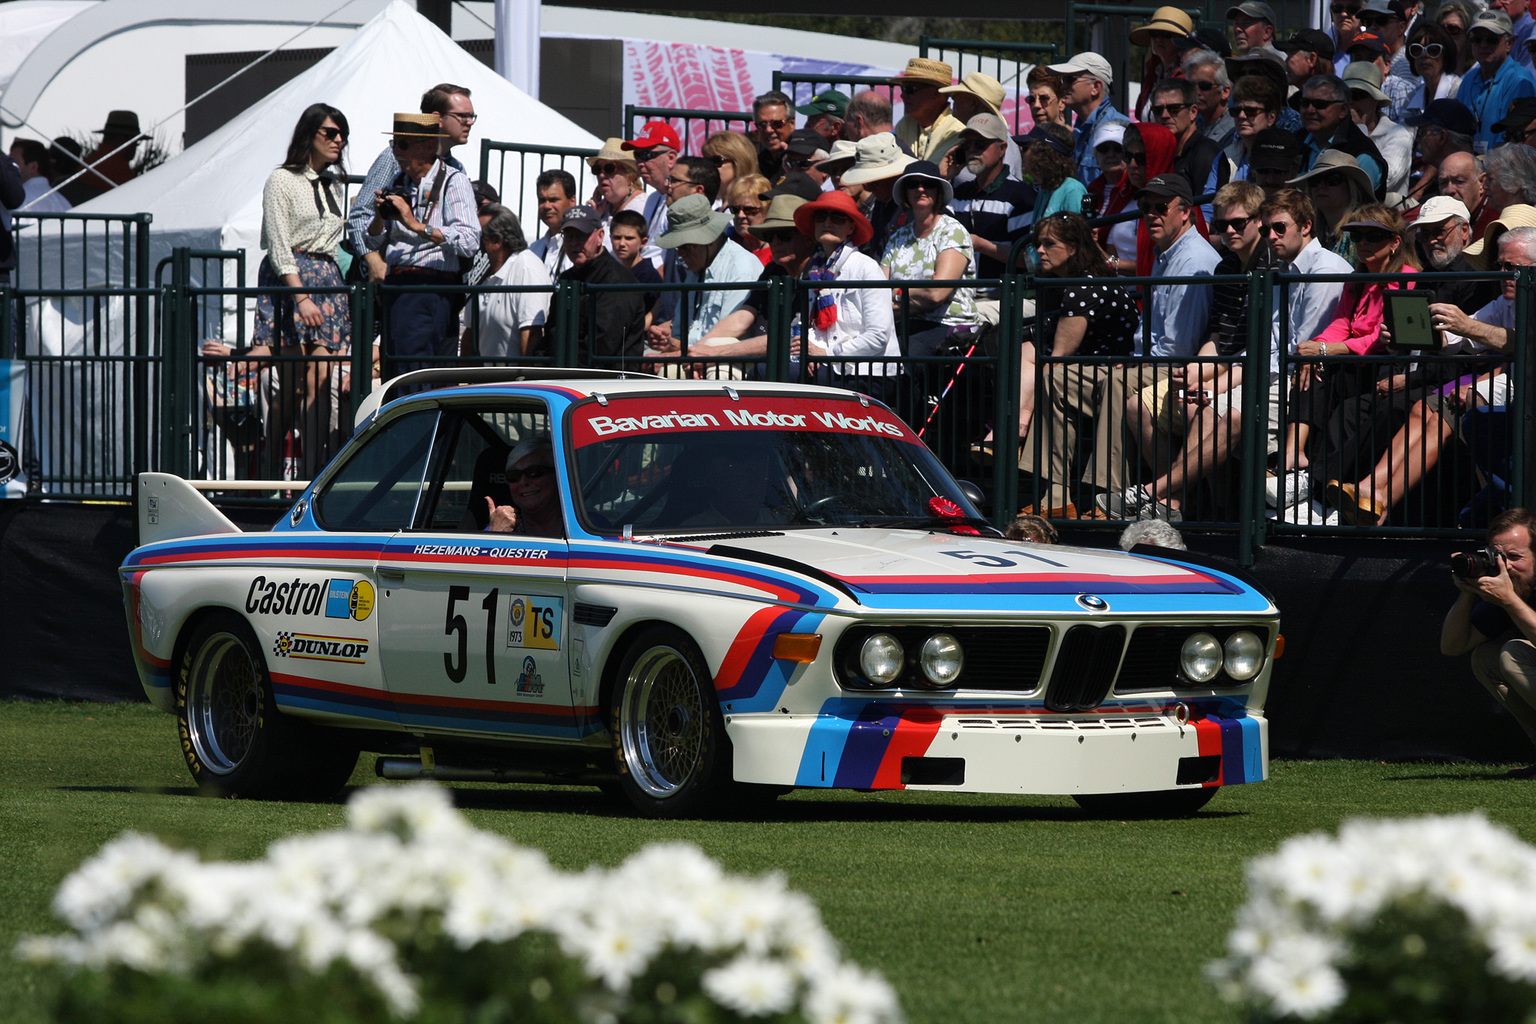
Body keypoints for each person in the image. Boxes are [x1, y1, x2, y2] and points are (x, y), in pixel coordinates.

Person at [1326, 226, 1533, 525]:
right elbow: (1457, 337)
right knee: (1424, 407)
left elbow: (1524, 342)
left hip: (1525, 385)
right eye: (1499, 265)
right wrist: (1406, 335)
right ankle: (1374, 491)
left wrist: (1466, 327)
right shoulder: (1507, 300)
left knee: (1463, 399)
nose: (1503, 273)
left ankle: (1492, 511)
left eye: (1511, 267)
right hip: (1514, 381)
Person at [1087, 173, 1220, 512]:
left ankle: (1111, 496)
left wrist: (1137, 362)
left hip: (1177, 368)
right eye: (1145, 207)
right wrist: (1134, 358)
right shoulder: (1165, 253)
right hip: (1149, 360)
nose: (1151, 214)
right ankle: (1057, 496)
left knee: (1119, 385)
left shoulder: (1193, 260)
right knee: (1057, 378)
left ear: (1186, 211)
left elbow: (1178, 347)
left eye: (1161, 207)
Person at [1281, 203, 1419, 489]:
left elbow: (1382, 339)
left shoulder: (1406, 280)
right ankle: (1293, 455)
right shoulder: (1358, 280)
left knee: (1330, 384)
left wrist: (1326, 350)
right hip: (1354, 367)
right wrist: (1317, 347)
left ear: (1395, 242)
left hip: (1380, 370)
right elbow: (1341, 324)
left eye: (1373, 236)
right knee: (1310, 369)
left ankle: (1318, 482)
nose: (1363, 243)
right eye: (1357, 237)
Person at [1016, 212, 1139, 518]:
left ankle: (1097, 499)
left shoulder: (1083, 288)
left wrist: (1027, 413)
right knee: (1049, 372)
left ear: (1072, 248)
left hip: (1117, 372)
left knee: (1054, 377)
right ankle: (1056, 498)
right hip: (1095, 372)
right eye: (1037, 244)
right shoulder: (1073, 283)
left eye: (1049, 244)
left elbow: (1059, 356)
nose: (1040, 251)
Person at [256, 103, 351, 477]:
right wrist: (301, 297)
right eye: (330, 132)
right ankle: (268, 466)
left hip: (327, 279)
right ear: (309, 135)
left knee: (320, 379)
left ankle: (313, 476)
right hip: (291, 280)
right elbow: (278, 245)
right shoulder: (281, 179)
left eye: (342, 134)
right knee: (292, 384)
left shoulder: (332, 184)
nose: (338, 140)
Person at [364, 112, 479, 380]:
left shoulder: (453, 181)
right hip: (397, 289)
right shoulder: (398, 184)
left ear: (428, 146)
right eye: (395, 144)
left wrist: (416, 225)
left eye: (404, 145)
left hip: (430, 288)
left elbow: (470, 240)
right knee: (395, 373)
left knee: (418, 375)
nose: (396, 152)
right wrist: (381, 215)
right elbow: (373, 239)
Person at [346, 84, 475, 285]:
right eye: (462, 116)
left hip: (434, 279)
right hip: (388, 274)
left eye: (472, 116)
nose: (469, 122)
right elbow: (360, 213)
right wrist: (372, 259)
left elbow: (464, 233)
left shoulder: (456, 170)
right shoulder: (397, 156)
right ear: (437, 118)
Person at [788, 189, 900, 400]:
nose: (827, 222)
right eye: (821, 217)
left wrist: (825, 354)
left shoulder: (867, 268)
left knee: (779, 374)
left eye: (837, 218)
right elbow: (813, 328)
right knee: (762, 369)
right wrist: (810, 351)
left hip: (871, 373)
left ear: (851, 228)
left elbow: (878, 337)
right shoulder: (814, 271)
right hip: (833, 368)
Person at [880, 160, 979, 360]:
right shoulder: (898, 237)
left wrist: (897, 292)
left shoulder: (953, 231)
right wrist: (918, 296)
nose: (921, 189)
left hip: (951, 326)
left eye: (929, 184)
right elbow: (878, 294)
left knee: (902, 353)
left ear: (939, 191)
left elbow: (936, 294)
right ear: (905, 192)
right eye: (912, 184)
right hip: (905, 324)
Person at [540, 206, 645, 368]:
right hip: (568, 376)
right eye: (569, 237)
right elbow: (551, 335)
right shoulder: (567, 278)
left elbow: (602, 346)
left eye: (581, 236)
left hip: (609, 382)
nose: (575, 243)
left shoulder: (618, 281)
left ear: (600, 236)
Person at [462, 204, 549, 361]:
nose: (472, 244)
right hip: (488, 382)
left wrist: (525, 380)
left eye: (478, 237)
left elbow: (531, 334)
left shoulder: (527, 269)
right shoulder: (481, 274)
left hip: (515, 382)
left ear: (497, 241)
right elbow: (469, 333)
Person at [1456, 8, 1536, 152]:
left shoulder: (1519, 80)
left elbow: (1513, 141)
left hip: (1502, 166)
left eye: (1492, 39)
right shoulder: (1469, 79)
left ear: (1509, 43)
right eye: (1477, 39)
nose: (1483, 45)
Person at [1296, 74, 1388, 198]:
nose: (1310, 110)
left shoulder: (1361, 154)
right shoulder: (1295, 141)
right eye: (1305, 103)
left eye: (1320, 104)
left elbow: (1355, 207)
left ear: (1343, 109)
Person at [1046, 51, 1122, 185]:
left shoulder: (1117, 128)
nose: (1063, 86)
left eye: (1070, 80)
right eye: (1064, 80)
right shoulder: (1082, 129)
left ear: (1096, 87)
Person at [1289, 148, 1375, 257]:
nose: (1321, 186)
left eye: (1332, 179)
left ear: (1351, 188)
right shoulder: (1309, 231)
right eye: (1315, 181)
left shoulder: (1361, 231)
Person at [1343, 63, 1413, 195]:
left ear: (1374, 100)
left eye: (1357, 95)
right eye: (1346, 95)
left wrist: (1357, 130)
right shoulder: (1335, 133)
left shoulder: (1399, 135)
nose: (1350, 102)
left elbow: (1381, 180)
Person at [891, 57, 965, 166]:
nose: (903, 95)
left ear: (936, 93)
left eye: (910, 89)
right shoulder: (906, 122)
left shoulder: (956, 131)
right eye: (903, 88)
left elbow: (931, 175)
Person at [60, 109, 142, 206]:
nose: (135, 148)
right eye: (136, 142)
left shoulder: (90, 162)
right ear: (127, 139)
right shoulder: (119, 169)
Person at [485, 436, 564, 537]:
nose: (523, 482)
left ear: (556, 476)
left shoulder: (586, 527)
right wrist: (496, 536)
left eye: (533, 472)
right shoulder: (497, 530)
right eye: (514, 475)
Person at [1129, 6, 1196, 122]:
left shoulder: (1188, 76)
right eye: (1154, 33)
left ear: (1181, 40)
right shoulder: (1153, 73)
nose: (1158, 39)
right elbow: (1139, 112)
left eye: (1166, 34)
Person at [1018, 123, 1086, 226]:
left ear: (1044, 153)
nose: (1021, 151)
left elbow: (1077, 238)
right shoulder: (1044, 190)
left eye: (1026, 147)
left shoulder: (1072, 190)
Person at [587, 139, 648, 248]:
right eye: (597, 169)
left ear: (630, 175)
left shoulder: (642, 207)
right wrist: (594, 218)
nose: (601, 175)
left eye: (609, 168)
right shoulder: (603, 209)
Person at [1225, 74, 1284, 181]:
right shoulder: (1225, 156)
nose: (1241, 116)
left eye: (1250, 111)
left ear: (1271, 117)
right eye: (1236, 111)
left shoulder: (1282, 160)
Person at [528, 168, 577, 281]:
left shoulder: (581, 248)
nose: (547, 206)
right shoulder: (534, 249)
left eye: (553, 200)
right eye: (542, 200)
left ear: (572, 201)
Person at [1405, 22, 1464, 116]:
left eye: (1433, 50)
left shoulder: (1459, 91)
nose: (1424, 55)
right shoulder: (1411, 97)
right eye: (1417, 50)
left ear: (1445, 54)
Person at [1185, 48, 1236, 149]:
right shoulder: (1191, 124)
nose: (1196, 92)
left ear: (1225, 91)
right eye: (1191, 86)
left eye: (1204, 85)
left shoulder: (1234, 131)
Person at [701, 130, 758, 209]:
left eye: (716, 161)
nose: (709, 166)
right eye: (706, 161)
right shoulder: (709, 203)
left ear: (738, 162)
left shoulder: (752, 205)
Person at [9, 139, 68, 212]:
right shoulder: (63, 202)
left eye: (14, 163)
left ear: (33, 166)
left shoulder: (16, 199)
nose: (8, 167)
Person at [725, 173, 772, 264]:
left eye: (749, 210)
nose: (740, 215)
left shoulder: (777, 252)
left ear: (767, 210)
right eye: (735, 209)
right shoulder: (725, 246)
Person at [752, 89, 796, 180]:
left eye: (776, 124)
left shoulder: (803, 160)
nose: (768, 130)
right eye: (762, 124)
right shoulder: (758, 164)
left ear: (791, 123)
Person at [1438, 0, 1479, 73]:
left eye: (1452, 29)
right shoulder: (1433, 74)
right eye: (1440, 29)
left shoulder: (1480, 73)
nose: (1444, 35)